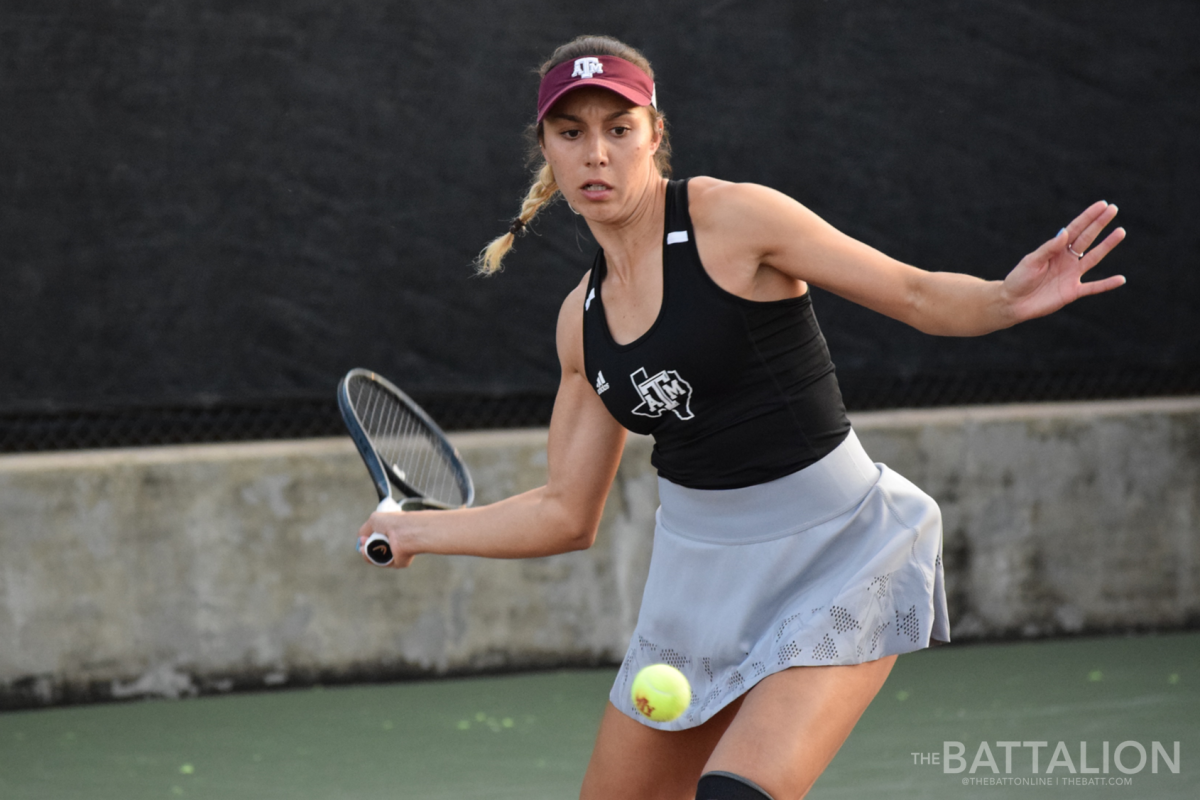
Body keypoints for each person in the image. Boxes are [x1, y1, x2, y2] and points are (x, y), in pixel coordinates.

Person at [359, 34, 1126, 800]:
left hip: (842, 556)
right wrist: (419, 531)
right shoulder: (579, 324)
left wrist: (1005, 298)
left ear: (654, 135)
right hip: (696, 590)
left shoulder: (736, 220)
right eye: (572, 133)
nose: (597, 152)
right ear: (548, 154)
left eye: (618, 128)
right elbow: (566, 512)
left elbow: (915, 294)